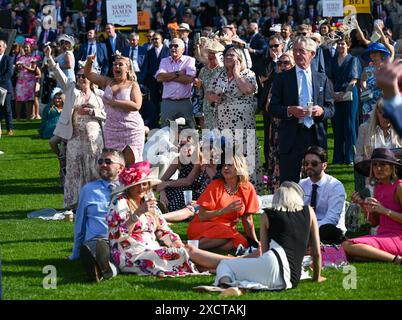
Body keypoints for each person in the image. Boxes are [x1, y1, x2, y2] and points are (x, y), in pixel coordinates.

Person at [107, 160, 238, 276]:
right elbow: (116, 235)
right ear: (129, 186)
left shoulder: (148, 202)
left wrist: (179, 244)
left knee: (186, 250)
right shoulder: (119, 202)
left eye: (145, 184)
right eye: (138, 184)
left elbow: (163, 230)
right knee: (184, 254)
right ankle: (237, 263)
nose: (141, 188)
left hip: (152, 250)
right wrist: (137, 215)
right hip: (130, 255)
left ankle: (231, 265)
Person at [212, 181, 326, 290]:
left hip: (272, 261)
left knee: (224, 264)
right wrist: (317, 277)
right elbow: (316, 253)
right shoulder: (309, 212)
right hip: (292, 278)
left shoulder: (268, 214)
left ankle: (225, 285)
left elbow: (265, 251)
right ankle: (237, 287)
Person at [45, 46, 106, 210]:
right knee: (74, 170)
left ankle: (95, 202)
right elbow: (59, 75)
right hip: (74, 136)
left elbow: (107, 115)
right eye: (79, 76)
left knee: (94, 169)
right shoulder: (71, 89)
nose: (80, 78)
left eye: (84, 76)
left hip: (95, 137)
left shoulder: (99, 95)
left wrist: (93, 111)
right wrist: (50, 58)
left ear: (91, 78)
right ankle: (73, 204)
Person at [269, 36, 335, 183]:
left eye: (301, 51)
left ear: (312, 54)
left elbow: (331, 108)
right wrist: (290, 110)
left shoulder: (321, 79)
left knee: (317, 181)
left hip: (315, 134)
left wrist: (322, 111)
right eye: (295, 51)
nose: (297, 54)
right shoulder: (283, 78)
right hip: (292, 135)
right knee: (289, 182)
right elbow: (272, 108)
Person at [206, 45, 263, 193]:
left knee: (244, 155)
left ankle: (248, 191)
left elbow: (247, 90)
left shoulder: (248, 74)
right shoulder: (219, 74)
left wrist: (237, 73)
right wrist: (215, 97)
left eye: (232, 55)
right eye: (226, 56)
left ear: (239, 58)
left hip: (242, 123)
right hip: (222, 122)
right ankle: (228, 190)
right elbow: (208, 93)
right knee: (226, 156)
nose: (228, 58)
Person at [70, 149, 125, 282]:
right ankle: (102, 262)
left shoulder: (129, 187)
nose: (103, 165)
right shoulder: (89, 189)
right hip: (97, 239)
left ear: (121, 168)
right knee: (97, 247)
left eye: (108, 161)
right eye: (100, 161)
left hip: (123, 238)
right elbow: (80, 223)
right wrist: (75, 253)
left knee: (121, 251)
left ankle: (101, 268)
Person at [187, 154, 260, 251]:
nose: (225, 168)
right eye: (223, 165)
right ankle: (185, 247)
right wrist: (224, 210)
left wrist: (255, 242)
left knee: (242, 243)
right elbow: (202, 215)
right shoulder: (215, 186)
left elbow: (247, 219)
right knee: (229, 234)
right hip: (203, 226)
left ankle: (200, 247)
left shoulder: (247, 187)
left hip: (226, 231)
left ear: (239, 167)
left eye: (230, 165)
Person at [343, 148, 402, 264]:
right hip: (384, 235)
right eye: (374, 165)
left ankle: (396, 260)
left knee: (347, 245)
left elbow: (384, 212)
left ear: (392, 167)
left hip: (398, 237)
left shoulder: (399, 187)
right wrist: (362, 205)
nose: (378, 168)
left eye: (383, 164)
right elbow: (375, 223)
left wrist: (385, 211)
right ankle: (382, 256)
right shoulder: (378, 188)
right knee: (349, 251)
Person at [84, 53, 144, 166]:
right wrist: (89, 62)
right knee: (113, 163)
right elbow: (88, 74)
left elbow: (137, 105)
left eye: (120, 65)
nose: (116, 67)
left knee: (131, 164)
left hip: (131, 129)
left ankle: (131, 183)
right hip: (111, 129)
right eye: (115, 64)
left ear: (127, 69)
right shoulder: (107, 82)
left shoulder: (133, 85)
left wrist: (114, 102)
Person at [299, 146, 347, 244]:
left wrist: (308, 229)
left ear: (324, 165)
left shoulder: (335, 186)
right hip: (306, 228)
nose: (309, 166)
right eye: (306, 163)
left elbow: (332, 218)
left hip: (327, 229)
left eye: (314, 164)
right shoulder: (301, 184)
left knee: (327, 229)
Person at [355, 98, 402, 195]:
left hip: (396, 178)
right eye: (383, 114)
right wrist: (365, 161)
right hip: (372, 179)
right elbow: (357, 157)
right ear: (377, 113)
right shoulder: (364, 129)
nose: (387, 118)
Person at [329, 35, 362, 165]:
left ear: (348, 45)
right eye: (338, 44)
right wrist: (333, 93)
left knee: (349, 125)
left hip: (349, 94)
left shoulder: (353, 59)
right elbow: (330, 78)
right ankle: (338, 158)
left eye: (343, 44)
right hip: (335, 94)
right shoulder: (333, 60)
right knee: (337, 126)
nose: (340, 46)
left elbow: (354, 79)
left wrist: (344, 93)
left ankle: (351, 157)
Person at [266, 51, 295, 194]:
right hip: (276, 129)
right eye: (280, 63)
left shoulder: (297, 82)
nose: (283, 66)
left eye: (286, 63)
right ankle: (276, 193)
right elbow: (268, 106)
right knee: (276, 160)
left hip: (293, 129)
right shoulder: (276, 82)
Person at [157, 135, 208, 211]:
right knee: (169, 190)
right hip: (180, 186)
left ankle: (168, 209)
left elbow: (188, 181)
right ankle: (163, 206)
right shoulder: (179, 159)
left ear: (195, 146)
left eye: (187, 145)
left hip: (194, 191)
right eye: (181, 145)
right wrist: (162, 193)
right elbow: (162, 180)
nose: (184, 148)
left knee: (179, 192)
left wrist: (166, 184)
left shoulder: (199, 161)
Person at [156, 38, 196, 128]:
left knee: (189, 133)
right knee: (167, 133)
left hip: (185, 102)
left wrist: (168, 77)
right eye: (171, 46)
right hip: (168, 103)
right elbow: (159, 78)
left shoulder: (190, 60)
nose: (172, 48)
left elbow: (189, 79)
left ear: (183, 49)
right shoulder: (164, 61)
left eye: (176, 46)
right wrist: (178, 73)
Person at [193, 39, 225, 130]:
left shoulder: (223, 70)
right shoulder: (203, 70)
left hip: (221, 105)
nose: (211, 55)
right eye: (209, 52)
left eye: (213, 53)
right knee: (209, 135)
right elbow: (200, 92)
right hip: (207, 106)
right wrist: (198, 86)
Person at [361, 42, 391, 122]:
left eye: (375, 52)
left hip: (383, 101)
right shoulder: (367, 69)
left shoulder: (386, 68)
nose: (373, 54)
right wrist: (365, 90)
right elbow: (362, 79)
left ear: (381, 54)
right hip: (369, 101)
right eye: (371, 52)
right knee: (368, 126)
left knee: (382, 125)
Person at [15, 41, 40, 121]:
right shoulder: (20, 58)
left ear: (30, 48)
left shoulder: (33, 58)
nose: (26, 48)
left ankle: (28, 117)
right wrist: (18, 66)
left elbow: (34, 70)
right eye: (24, 47)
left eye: (27, 47)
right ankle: (18, 117)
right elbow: (18, 69)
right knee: (18, 99)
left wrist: (24, 66)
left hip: (30, 82)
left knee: (29, 100)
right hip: (21, 81)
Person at [0, 40, 14, 137]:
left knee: (7, 109)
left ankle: (9, 129)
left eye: (0, 46)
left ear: (4, 48)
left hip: (5, 88)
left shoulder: (8, 59)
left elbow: (9, 73)